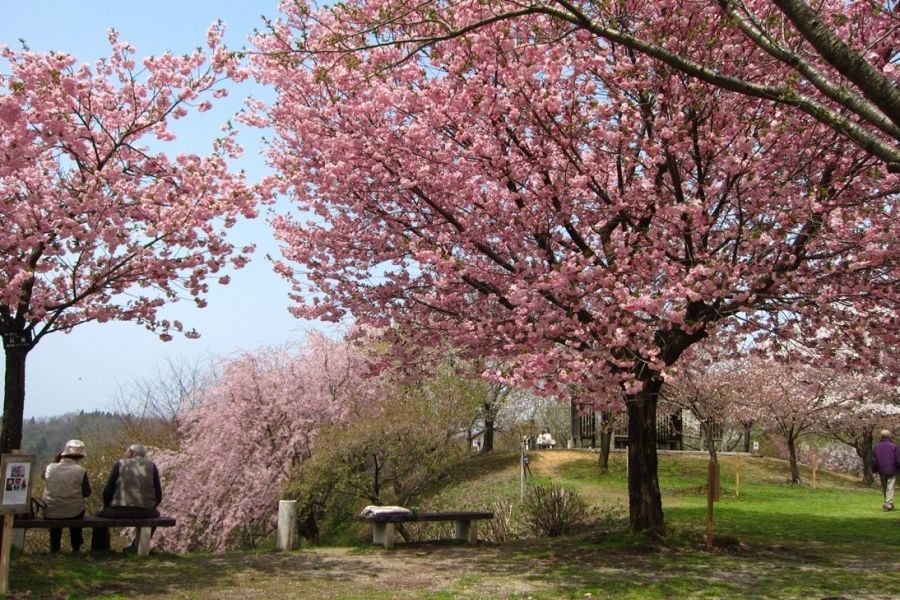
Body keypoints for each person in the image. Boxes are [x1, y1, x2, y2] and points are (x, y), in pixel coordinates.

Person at [90, 443, 163, 552]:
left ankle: (101, 548)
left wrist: (106, 506)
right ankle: (136, 546)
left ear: (131, 453)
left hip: (119, 510)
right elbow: (158, 493)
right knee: (155, 515)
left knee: (98, 516)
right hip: (145, 512)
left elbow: (108, 490)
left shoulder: (120, 464)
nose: (126, 453)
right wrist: (151, 506)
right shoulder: (152, 466)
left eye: (127, 451)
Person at [42, 439, 91, 554]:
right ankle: (76, 547)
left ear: (63, 454)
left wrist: (55, 461)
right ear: (80, 457)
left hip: (50, 511)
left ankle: (55, 548)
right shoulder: (81, 471)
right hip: (74, 512)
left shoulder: (50, 468)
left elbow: (43, 476)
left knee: (55, 519)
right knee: (76, 512)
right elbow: (87, 493)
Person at [872, 429, 900, 511]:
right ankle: (888, 503)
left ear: (881, 436)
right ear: (889, 436)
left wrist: (874, 469)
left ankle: (888, 503)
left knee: (885, 487)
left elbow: (874, 460)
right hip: (892, 469)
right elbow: (898, 459)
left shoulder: (876, 446)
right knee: (890, 487)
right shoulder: (894, 446)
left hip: (881, 469)